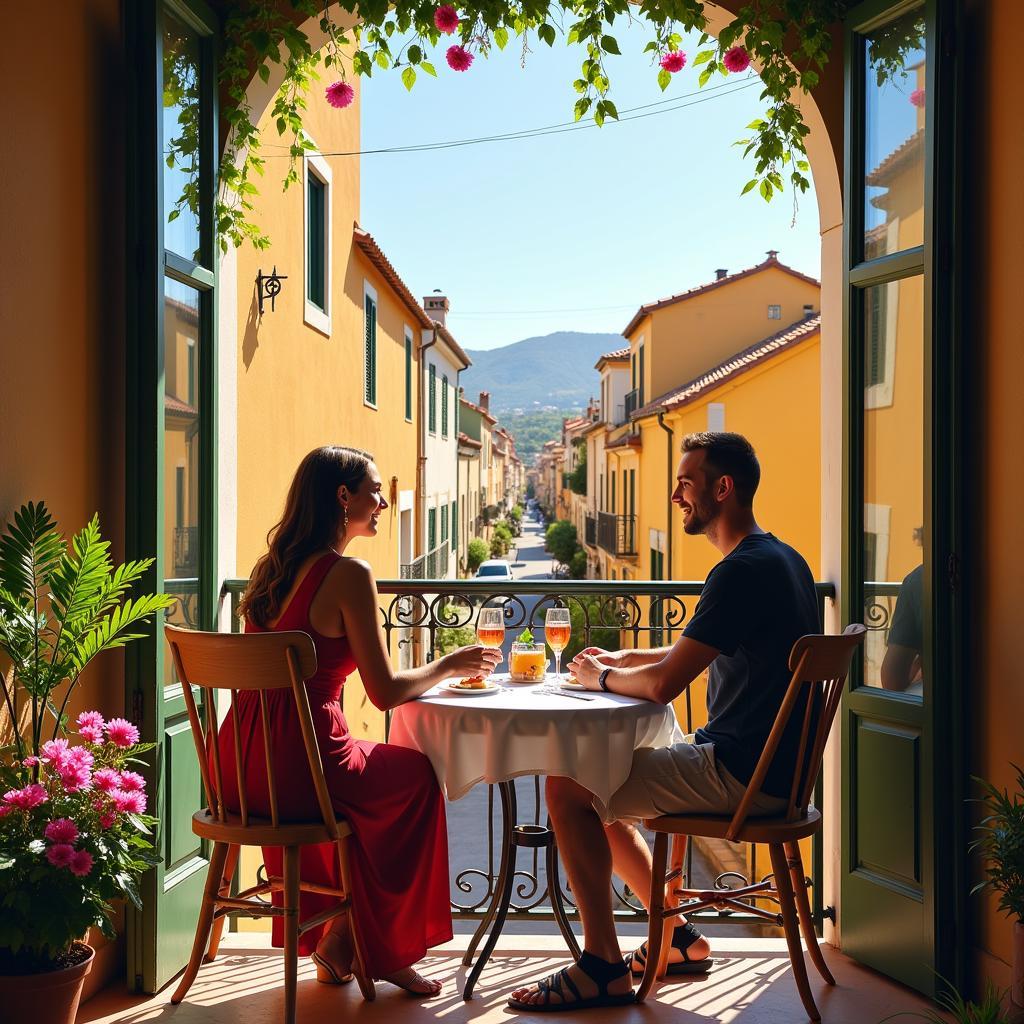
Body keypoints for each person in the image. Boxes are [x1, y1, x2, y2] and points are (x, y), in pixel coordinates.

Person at [509, 432, 820, 1012]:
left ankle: (602, 965)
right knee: (598, 778)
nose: (677, 495)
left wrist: (599, 680)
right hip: (777, 773)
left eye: (685, 483)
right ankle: (674, 936)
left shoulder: (738, 572)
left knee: (567, 787)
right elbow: (694, 651)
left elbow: (663, 686)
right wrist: (623, 660)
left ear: (721, 488)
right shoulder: (781, 559)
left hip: (741, 775)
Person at [222, 446, 500, 996]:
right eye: (375, 490)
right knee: (418, 778)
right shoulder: (348, 574)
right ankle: (378, 948)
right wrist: (451, 663)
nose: (383, 502)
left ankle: (342, 938)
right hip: (303, 763)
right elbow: (385, 692)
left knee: (377, 789)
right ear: (343, 496)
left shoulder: (271, 569)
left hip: (241, 763)